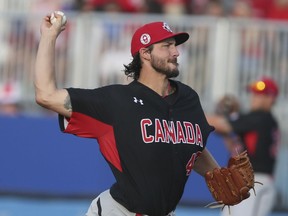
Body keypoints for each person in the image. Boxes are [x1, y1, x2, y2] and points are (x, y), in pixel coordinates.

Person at [34, 14, 221, 216]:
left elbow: (192, 146)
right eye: (166, 46)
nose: (176, 52)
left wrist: (218, 175)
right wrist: (49, 36)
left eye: (175, 45)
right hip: (119, 211)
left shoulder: (188, 98)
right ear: (145, 53)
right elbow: (46, 96)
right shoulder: (116, 101)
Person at [207, 77, 280, 216]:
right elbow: (236, 149)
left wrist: (191, 116)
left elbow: (220, 124)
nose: (254, 97)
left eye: (261, 95)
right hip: (243, 180)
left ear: (271, 98)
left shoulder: (261, 118)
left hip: (256, 181)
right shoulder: (260, 121)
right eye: (254, 93)